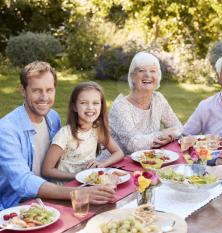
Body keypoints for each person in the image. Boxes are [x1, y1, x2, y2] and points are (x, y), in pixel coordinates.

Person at [0, 61, 116, 210]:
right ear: (23, 90)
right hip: (18, 205)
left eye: (49, 90)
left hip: (53, 196)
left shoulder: (52, 117)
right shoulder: (6, 130)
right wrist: (77, 192)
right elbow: (23, 181)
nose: (44, 97)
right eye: (36, 90)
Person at [42, 82, 124, 184]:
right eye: (83, 103)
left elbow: (118, 152)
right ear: (74, 107)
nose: (90, 107)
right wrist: (77, 176)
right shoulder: (65, 134)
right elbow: (46, 170)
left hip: (88, 184)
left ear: (101, 106)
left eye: (95, 103)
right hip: (66, 188)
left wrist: (102, 164)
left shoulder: (97, 130)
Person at [103, 51, 182, 155]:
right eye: (141, 70)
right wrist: (162, 134)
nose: (148, 75)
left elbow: (179, 127)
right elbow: (135, 145)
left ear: (158, 76)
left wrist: (170, 137)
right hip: (116, 164)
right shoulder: (120, 106)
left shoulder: (158, 99)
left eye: (153, 71)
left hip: (147, 159)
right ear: (132, 77)